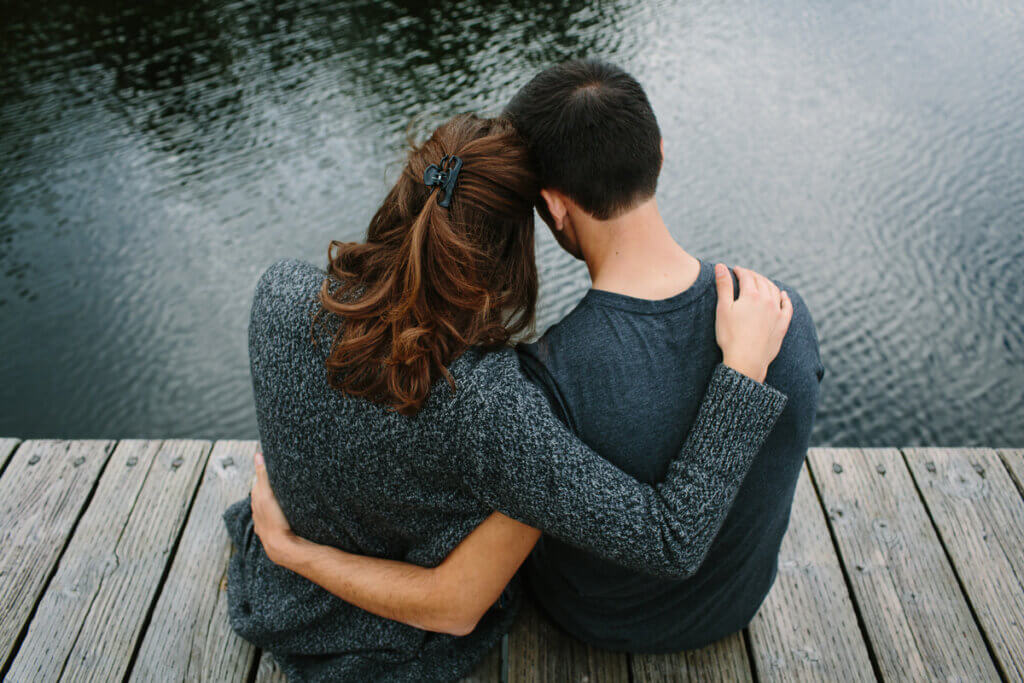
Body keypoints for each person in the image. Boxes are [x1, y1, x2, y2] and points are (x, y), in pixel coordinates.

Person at [226, 112, 793, 682]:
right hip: (392, 646)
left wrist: (288, 554)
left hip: (273, 600)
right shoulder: (488, 405)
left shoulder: (279, 293)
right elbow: (672, 539)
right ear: (516, 247)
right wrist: (742, 374)